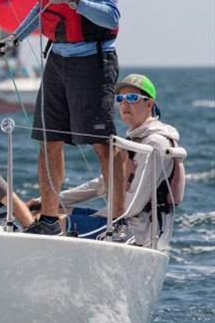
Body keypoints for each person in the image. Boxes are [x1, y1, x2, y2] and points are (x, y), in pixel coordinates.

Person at [0, 0, 123, 235]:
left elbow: (111, 16)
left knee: (101, 142)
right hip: (58, 60)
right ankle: (50, 218)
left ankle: (120, 219)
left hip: (91, 62)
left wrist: (74, 0)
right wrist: (15, 39)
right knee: (48, 139)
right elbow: (40, 10)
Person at [30, 74, 185, 245]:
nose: (124, 104)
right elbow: (102, 185)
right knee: (48, 211)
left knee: (50, 222)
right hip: (123, 221)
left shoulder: (155, 144)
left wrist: (81, 218)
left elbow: (133, 204)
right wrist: (46, 201)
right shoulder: (135, 140)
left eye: (132, 98)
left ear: (149, 104)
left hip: (139, 232)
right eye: (120, 98)